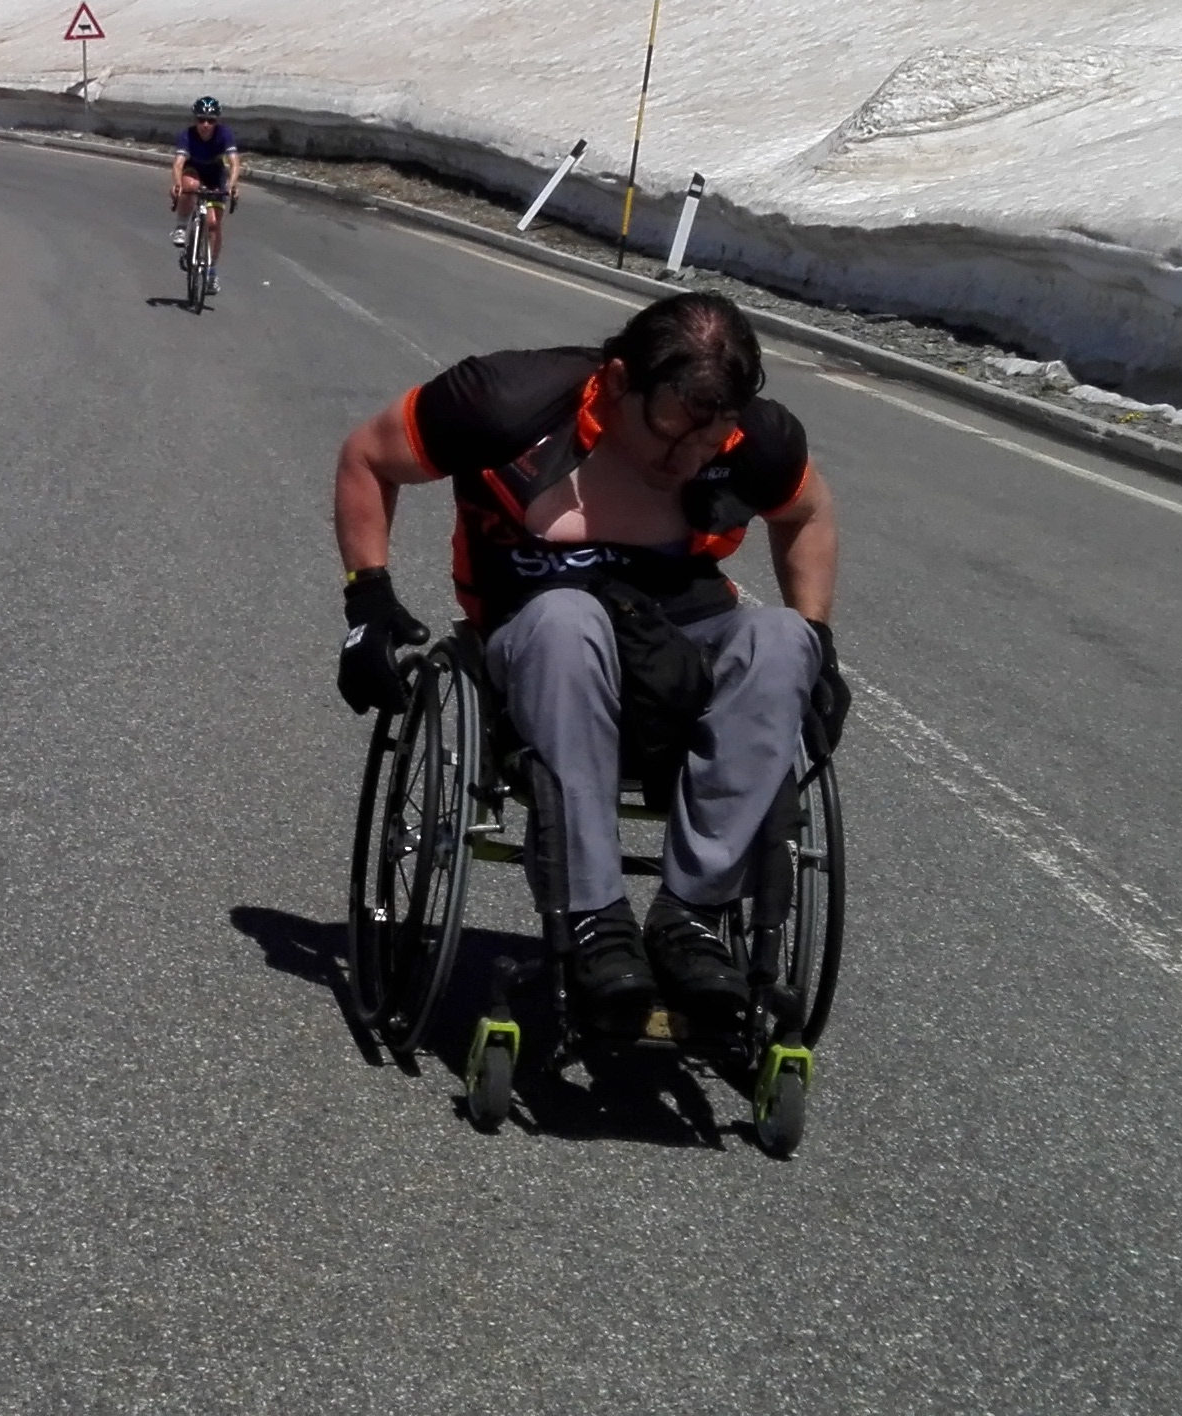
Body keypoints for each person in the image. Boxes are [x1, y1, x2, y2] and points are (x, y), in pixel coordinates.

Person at [328, 292, 840, 1043]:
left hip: (678, 639)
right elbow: (368, 458)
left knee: (783, 640)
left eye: (705, 445)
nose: (681, 460)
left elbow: (807, 514)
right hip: (537, 631)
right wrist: (366, 602)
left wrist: (820, 643)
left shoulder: (750, 443)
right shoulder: (504, 405)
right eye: (667, 434)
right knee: (570, 621)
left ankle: (691, 919)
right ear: (620, 380)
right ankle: (595, 918)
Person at [170, 96, 245, 251]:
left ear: (217, 122)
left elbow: (234, 163)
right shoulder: (187, 135)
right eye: (201, 120)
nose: (205, 125)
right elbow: (178, 164)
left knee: (213, 224)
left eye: (210, 121)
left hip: (215, 175)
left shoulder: (224, 134)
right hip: (194, 171)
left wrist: (231, 185)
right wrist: (177, 184)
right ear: (195, 120)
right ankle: (181, 228)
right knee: (190, 185)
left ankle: (210, 269)